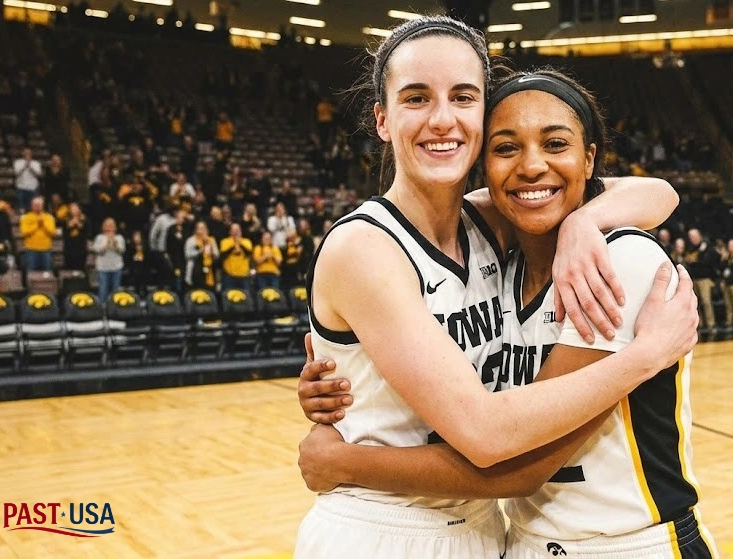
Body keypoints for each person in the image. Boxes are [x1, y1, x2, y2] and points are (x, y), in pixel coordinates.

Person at [293, 16, 692, 559]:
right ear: (382, 120)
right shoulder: (364, 248)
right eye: (416, 98)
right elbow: (487, 437)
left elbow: (657, 192)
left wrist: (582, 224)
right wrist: (644, 357)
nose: (442, 119)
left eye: (463, 97)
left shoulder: (488, 220)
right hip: (383, 526)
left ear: (482, 115)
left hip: (484, 529)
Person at [685, 228, 719, 333]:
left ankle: (711, 325)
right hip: (694, 279)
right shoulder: (690, 248)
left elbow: (709, 262)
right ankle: (700, 324)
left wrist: (696, 260)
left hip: (705, 279)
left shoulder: (708, 248)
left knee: (706, 302)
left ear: (700, 236)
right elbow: (688, 261)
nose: (693, 239)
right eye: (691, 237)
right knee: (696, 303)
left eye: (694, 236)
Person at [18, 196, 56, 276]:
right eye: (35, 205)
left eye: (39, 204)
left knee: (47, 274)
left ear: (42, 205)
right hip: (31, 249)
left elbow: (52, 232)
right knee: (31, 274)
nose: (37, 206)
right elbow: (24, 232)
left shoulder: (48, 217)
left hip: (46, 249)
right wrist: (37, 225)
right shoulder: (26, 217)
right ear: (31, 205)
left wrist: (43, 225)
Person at [93, 218, 125, 302]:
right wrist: (106, 244)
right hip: (103, 268)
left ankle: (115, 308)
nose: (109, 227)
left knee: (116, 289)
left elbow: (122, 250)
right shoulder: (99, 238)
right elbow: (97, 250)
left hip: (116, 267)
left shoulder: (119, 238)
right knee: (103, 289)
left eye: (111, 225)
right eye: (107, 225)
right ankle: (102, 309)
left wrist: (115, 244)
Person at [184, 221, 219, 290]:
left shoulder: (211, 240)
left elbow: (217, 255)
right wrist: (200, 251)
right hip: (195, 269)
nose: (202, 231)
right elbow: (187, 255)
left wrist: (212, 252)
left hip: (209, 269)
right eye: (199, 228)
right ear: (196, 230)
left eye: (203, 228)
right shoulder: (191, 240)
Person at [219, 223, 253, 292]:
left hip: (244, 275)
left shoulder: (247, 241)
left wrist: (240, 243)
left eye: (238, 230)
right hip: (229, 275)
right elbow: (223, 255)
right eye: (234, 230)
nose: (236, 232)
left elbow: (249, 253)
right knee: (228, 296)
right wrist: (234, 245)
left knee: (245, 297)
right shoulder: (225, 241)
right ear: (230, 232)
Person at [12, 147, 42, 212]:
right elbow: (16, 173)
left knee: (33, 207)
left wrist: (30, 167)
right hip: (21, 187)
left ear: (31, 153)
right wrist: (25, 166)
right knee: (21, 207)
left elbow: (38, 174)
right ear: (22, 153)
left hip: (33, 187)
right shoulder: (17, 162)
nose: (27, 154)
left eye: (29, 153)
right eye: (25, 152)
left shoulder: (36, 163)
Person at [62, 203, 89, 272]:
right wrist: (70, 224)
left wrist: (78, 224)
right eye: (72, 209)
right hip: (69, 249)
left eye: (76, 208)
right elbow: (64, 233)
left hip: (81, 249)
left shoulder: (84, 220)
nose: (74, 210)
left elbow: (87, 232)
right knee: (69, 268)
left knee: (81, 269)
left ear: (79, 210)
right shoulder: (66, 220)